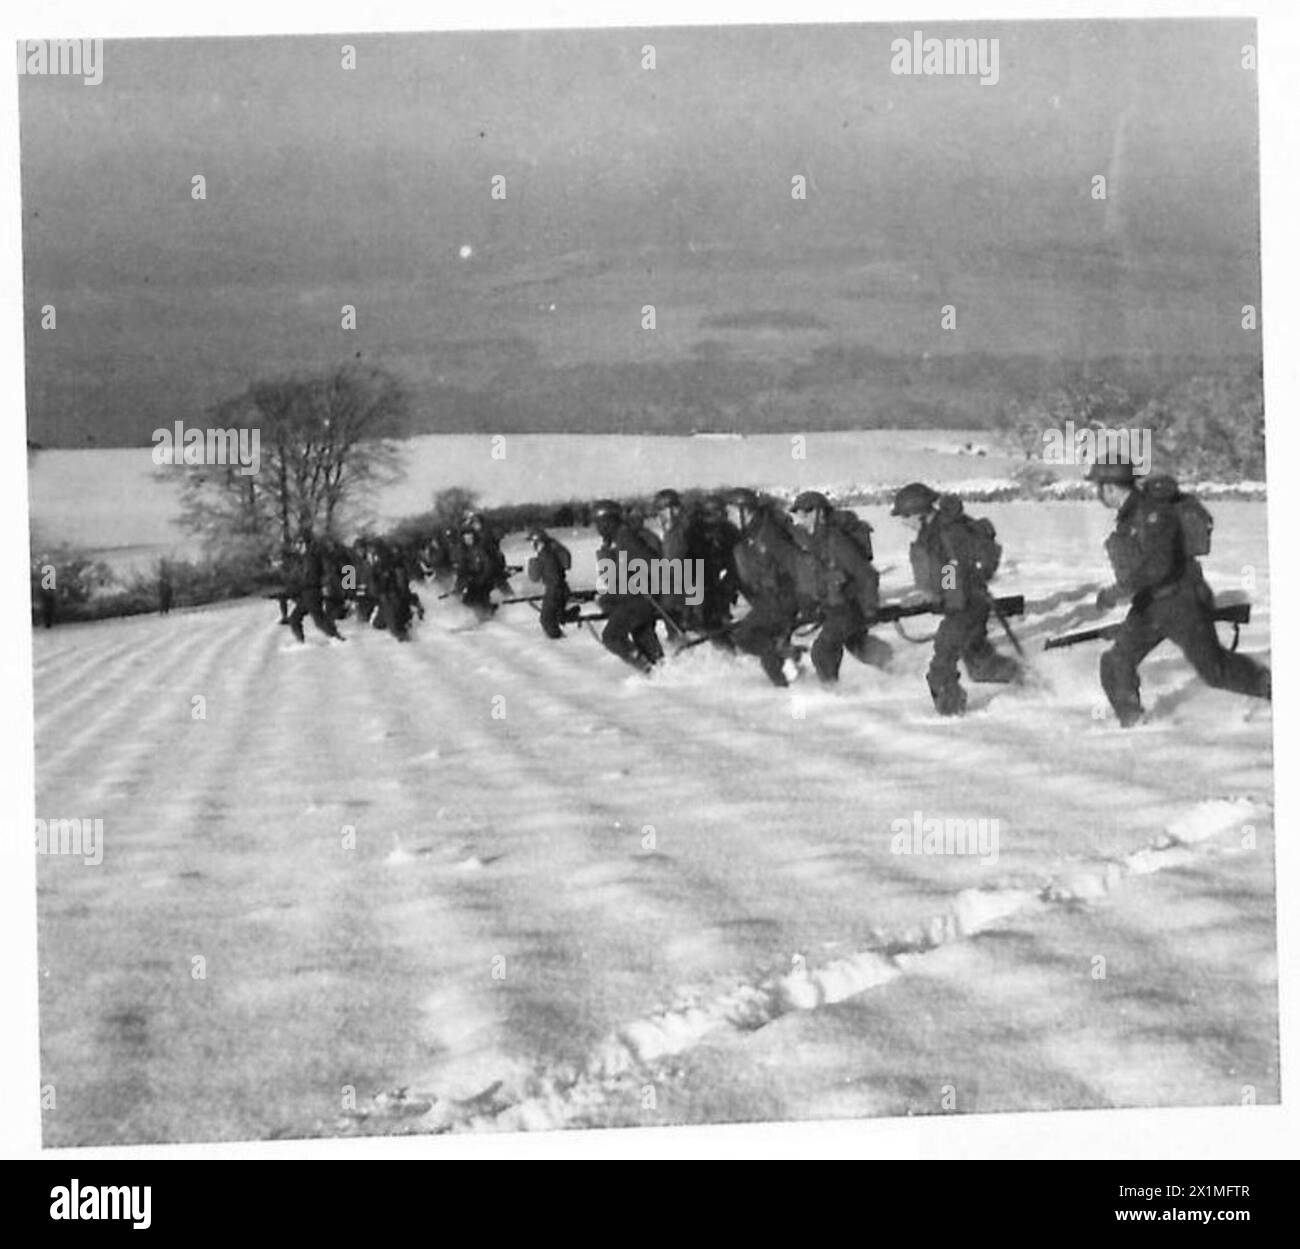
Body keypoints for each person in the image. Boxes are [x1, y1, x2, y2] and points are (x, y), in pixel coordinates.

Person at [1088, 460, 1270, 725]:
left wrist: (1116, 593)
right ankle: (1134, 723)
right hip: (1150, 605)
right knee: (1116, 662)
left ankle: (1273, 689)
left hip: (1182, 601)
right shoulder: (1130, 515)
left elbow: (1157, 567)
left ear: (1110, 488)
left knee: (1215, 671)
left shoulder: (1153, 513)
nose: (1098, 494)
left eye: (1099, 487)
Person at [891, 481, 1019, 715]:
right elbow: (942, 572)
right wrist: (928, 594)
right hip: (964, 604)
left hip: (965, 606)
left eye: (905, 516)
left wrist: (934, 594)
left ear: (919, 513)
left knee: (941, 667)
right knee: (980, 666)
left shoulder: (947, 532)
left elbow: (952, 567)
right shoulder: (931, 533)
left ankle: (951, 716)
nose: (902, 522)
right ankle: (1032, 682)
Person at [788, 491, 890, 684]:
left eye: (808, 511)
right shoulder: (811, 541)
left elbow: (866, 574)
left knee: (823, 649)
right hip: (833, 606)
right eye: (799, 512)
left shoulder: (835, 540)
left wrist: (869, 608)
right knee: (857, 644)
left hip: (848, 605)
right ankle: (899, 667)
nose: (802, 517)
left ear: (820, 513)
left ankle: (832, 692)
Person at [725, 488, 814, 687]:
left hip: (783, 599)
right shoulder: (749, 535)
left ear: (744, 511)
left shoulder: (768, 534)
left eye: (730, 511)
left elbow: (795, 564)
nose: (728, 517)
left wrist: (806, 601)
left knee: (745, 636)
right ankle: (789, 682)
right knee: (767, 654)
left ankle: (785, 662)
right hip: (770, 600)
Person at [592, 499, 664, 671]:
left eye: (599, 523)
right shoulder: (617, 539)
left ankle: (647, 667)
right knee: (642, 635)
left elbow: (652, 563)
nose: (597, 528)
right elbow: (612, 578)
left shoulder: (625, 538)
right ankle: (661, 669)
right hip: (635, 596)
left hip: (640, 597)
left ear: (607, 521)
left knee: (611, 637)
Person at [287, 535, 345, 644]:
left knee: (318, 618)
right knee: (295, 618)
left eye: (298, 544)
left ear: (304, 544)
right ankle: (300, 641)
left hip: (313, 591)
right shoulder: (301, 559)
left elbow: (327, 571)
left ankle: (336, 637)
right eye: (295, 545)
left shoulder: (313, 556)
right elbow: (297, 577)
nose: (296, 547)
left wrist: (326, 586)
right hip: (305, 592)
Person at [525, 527, 572, 639]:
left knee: (546, 620)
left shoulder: (544, 555)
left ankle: (559, 642)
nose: (531, 545)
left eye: (532, 542)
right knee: (555, 616)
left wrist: (533, 562)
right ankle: (567, 616)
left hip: (554, 590)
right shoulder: (553, 550)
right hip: (562, 588)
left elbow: (534, 577)